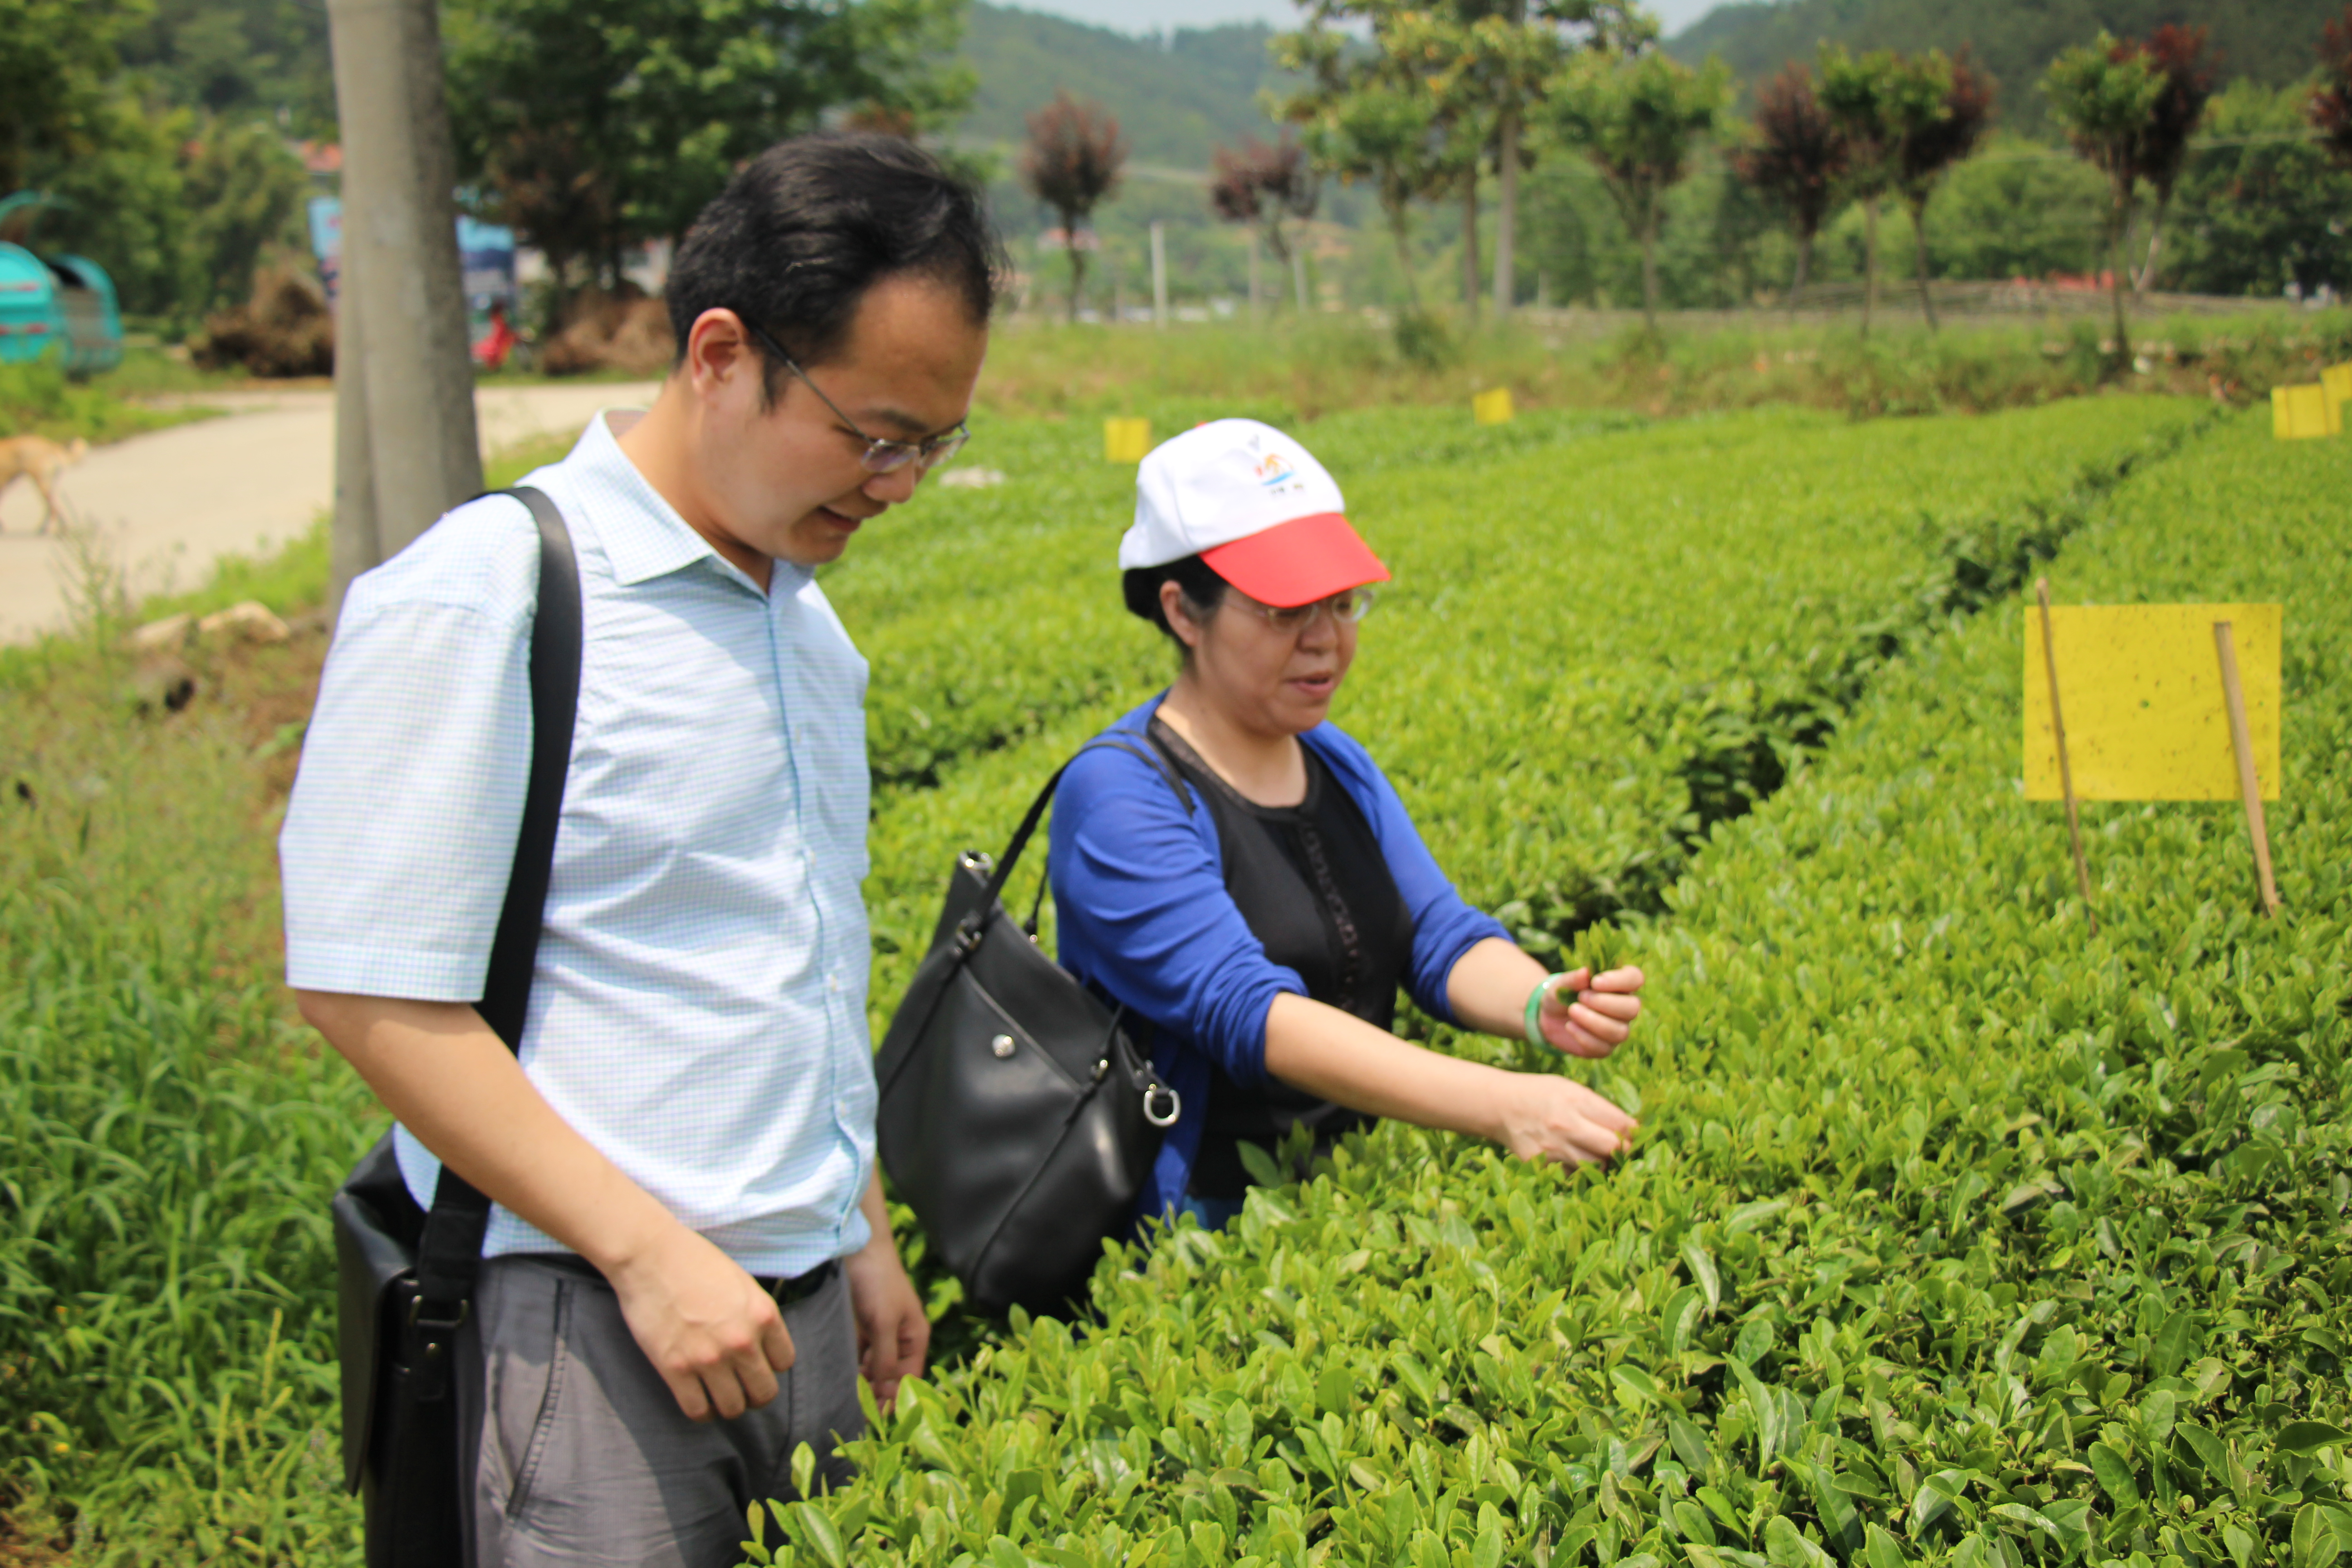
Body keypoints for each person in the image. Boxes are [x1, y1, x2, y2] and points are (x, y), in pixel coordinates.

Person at [280, 133, 999, 1567]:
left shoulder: (805, 622)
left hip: (794, 1306)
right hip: (591, 1323)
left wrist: (852, 1224)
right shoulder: (491, 592)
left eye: (932, 443)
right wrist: (646, 1250)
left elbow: (793, 951)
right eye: (873, 434)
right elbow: (370, 994)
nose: (901, 482)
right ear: (722, 352)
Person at [1049, 419, 1647, 1231]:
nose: (1325, 638)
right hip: (1201, 1223)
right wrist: (1504, 1102)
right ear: (1183, 612)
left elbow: (1437, 936)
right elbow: (1248, 1014)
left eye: (1340, 602)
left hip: (1347, 1194)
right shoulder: (1119, 795)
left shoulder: (1333, 758)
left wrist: (1537, 1000)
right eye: (1282, 609)